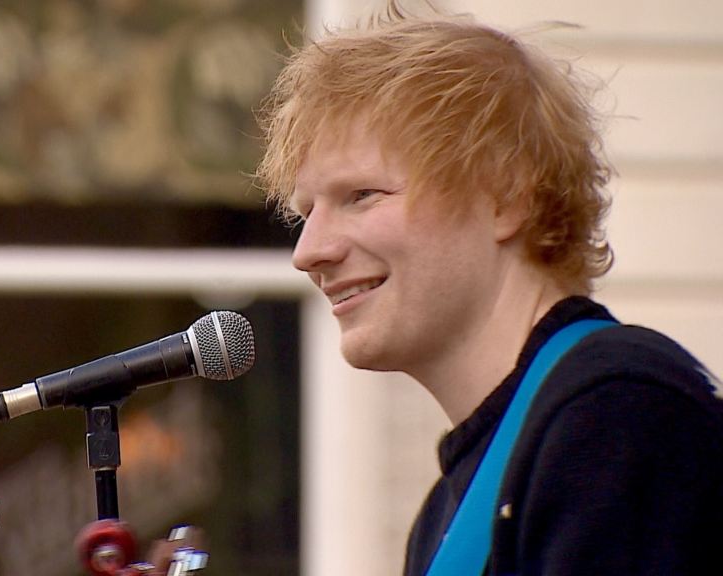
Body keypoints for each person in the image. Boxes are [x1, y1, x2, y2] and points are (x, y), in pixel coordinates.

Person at [254, 3, 723, 575]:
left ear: (506, 197)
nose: (308, 252)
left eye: (362, 195)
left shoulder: (618, 415)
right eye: (306, 212)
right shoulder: (451, 502)